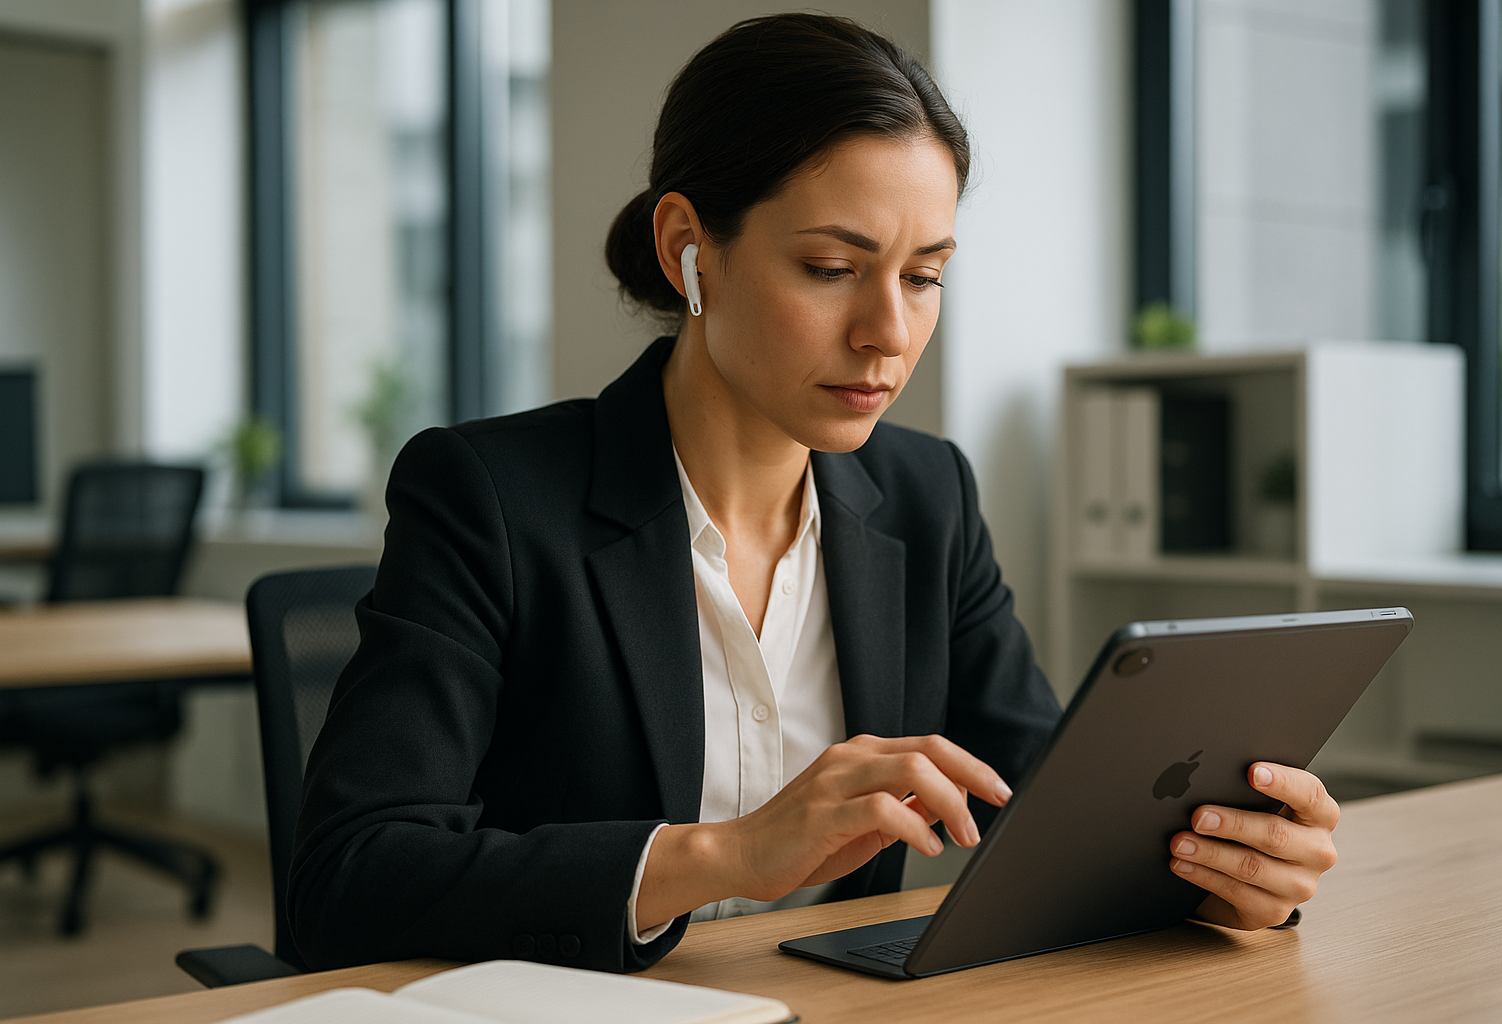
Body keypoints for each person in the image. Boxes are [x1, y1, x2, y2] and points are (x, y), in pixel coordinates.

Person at [290, 13, 1341, 975]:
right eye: (834, 267)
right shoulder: (489, 497)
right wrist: (729, 853)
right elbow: (348, 878)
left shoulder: (927, 497)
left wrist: (1231, 873)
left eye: (923, 275)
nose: (889, 330)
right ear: (687, 248)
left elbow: (1050, 806)